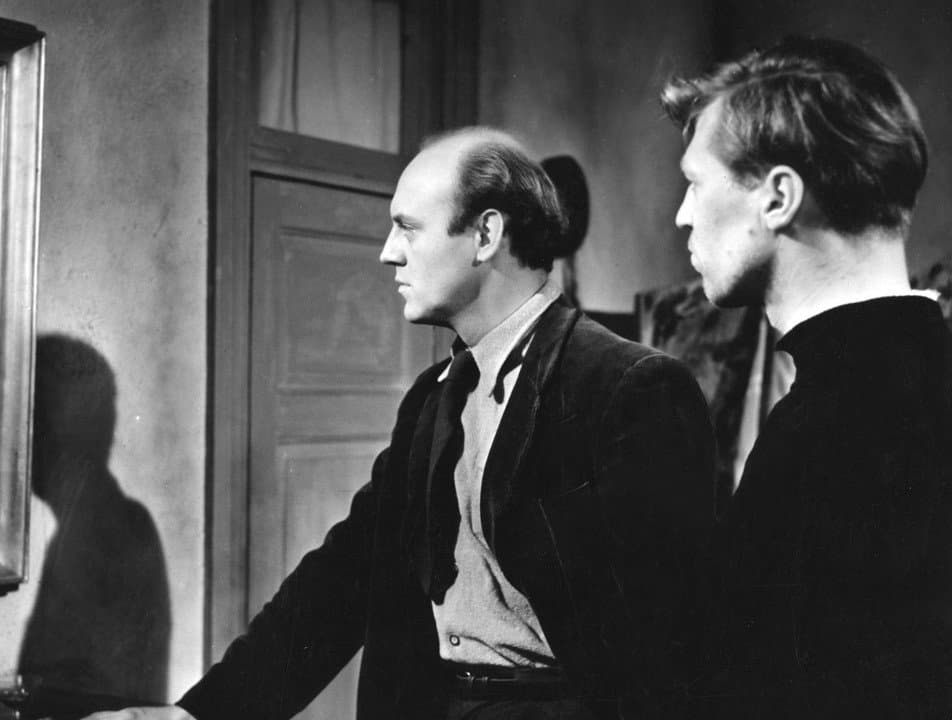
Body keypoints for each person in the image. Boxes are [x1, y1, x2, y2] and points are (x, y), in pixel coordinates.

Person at [92, 127, 715, 720]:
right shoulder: (432, 398)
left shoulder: (628, 387)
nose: (388, 252)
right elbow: (346, 574)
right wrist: (202, 711)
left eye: (408, 228)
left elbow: (671, 651)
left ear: (486, 234)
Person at [662, 36, 952, 717]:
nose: (681, 215)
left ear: (778, 197)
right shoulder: (895, 387)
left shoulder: (840, 431)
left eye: (695, 183)